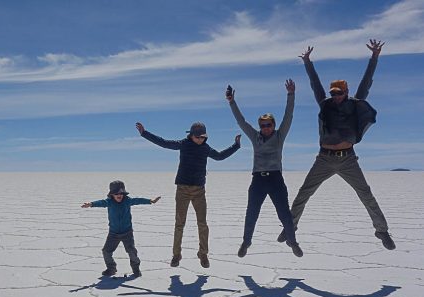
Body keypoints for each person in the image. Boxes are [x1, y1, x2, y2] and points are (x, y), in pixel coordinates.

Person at [278, 39, 395, 250]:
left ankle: (382, 231)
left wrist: (374, 57)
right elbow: (315, 84)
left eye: (338, 93)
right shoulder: (325, 104)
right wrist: (307, 62)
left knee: (366, 194)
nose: (335, 96)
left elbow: (366, 82)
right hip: (324, 158)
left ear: (346, 91)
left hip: (348, 159)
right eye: (333, 93)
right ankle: (289, 227)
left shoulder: (355, 104)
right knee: (304, 193)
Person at [136, 121, 241, 268]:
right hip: (182, 190)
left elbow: (219, 156)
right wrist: (144, 133)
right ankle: (176, 255)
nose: (200, 139)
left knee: (202, 224)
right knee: (179, 224)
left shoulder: (206, 148)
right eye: (197, 137)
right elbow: (164, 143)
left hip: (199, 191)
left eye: (202, 137)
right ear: (191, 135)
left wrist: (235, 146)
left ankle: (203, 254)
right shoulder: (184, 144)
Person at [226, 79, 303, 258]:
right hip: (258, 180)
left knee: (285, 214)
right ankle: (246, 242)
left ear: (274, 126)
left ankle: (292, 241)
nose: (265, 128)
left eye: (269, 125)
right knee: (251, 213)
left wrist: (291, 95)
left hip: (276, 179)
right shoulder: (255, 137)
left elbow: (288, 116)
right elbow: (241, 121)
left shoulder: (279, 136)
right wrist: (232, 102)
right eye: (263, 125)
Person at [82, 180, 160, 277]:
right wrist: (91, 204)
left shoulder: (128, 201)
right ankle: (111, 269)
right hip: (113, 234)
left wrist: (150, 201)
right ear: (112, 194)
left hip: (127, 233)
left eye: (121, 193)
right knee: (106, 251)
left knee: (132, 252)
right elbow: (101, 203)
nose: (119, 195)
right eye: (116, 193)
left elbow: (138, 200)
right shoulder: (109, 202)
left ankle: (136, 269)